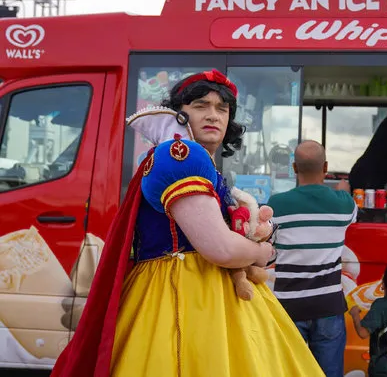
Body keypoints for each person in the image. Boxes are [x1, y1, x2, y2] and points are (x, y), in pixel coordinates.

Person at [50, 69, 325, 377]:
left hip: (203, 294)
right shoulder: (180, 154)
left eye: (222, 109)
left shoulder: (195, 160)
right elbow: (220, 248)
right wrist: (263, 254)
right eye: (200, 105)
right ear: (179, 113)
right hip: (186, 294)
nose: (214, 115)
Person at [267, 140, 357, 377]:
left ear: (295, 168)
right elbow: (351, 210)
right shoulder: (343, 204)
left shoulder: (276, 205)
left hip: (289, 307)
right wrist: (343, 188)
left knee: (288, 371)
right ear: (325, 167)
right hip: (328, 306)